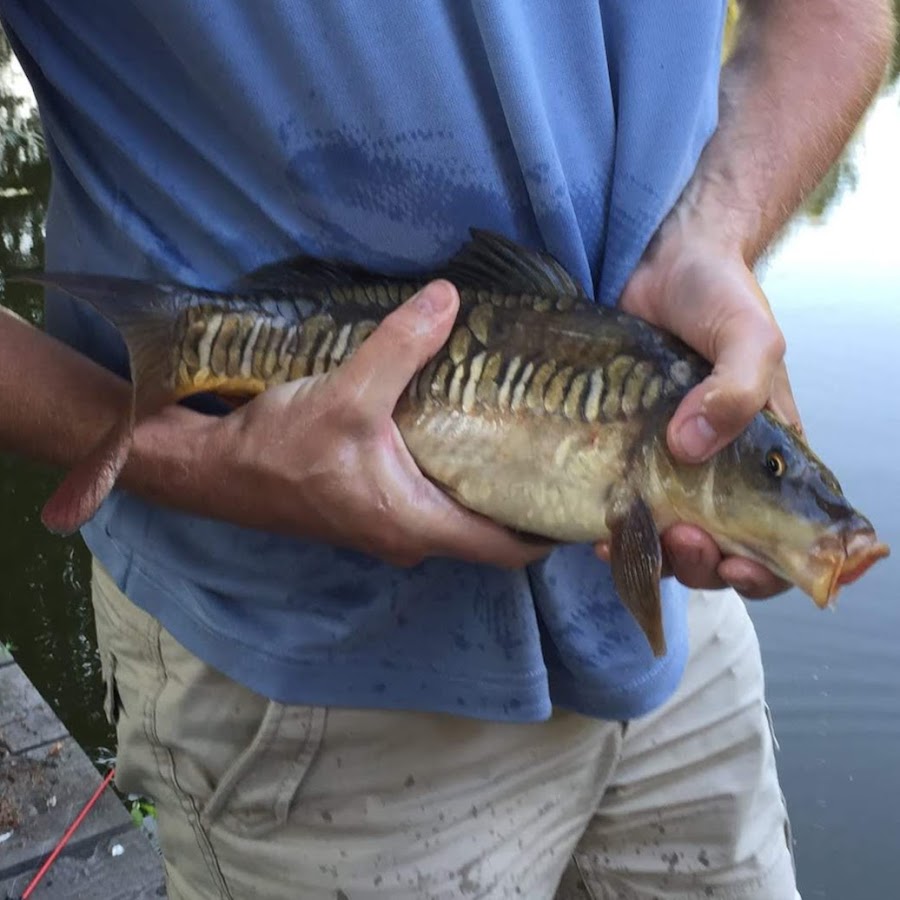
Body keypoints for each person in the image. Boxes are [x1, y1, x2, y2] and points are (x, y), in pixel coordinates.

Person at [0, 2, 892, 898]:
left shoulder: (661, 476)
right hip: (308, 671)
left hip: (670, 646)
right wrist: (193, 461)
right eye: (774, 469)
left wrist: (716, 228)